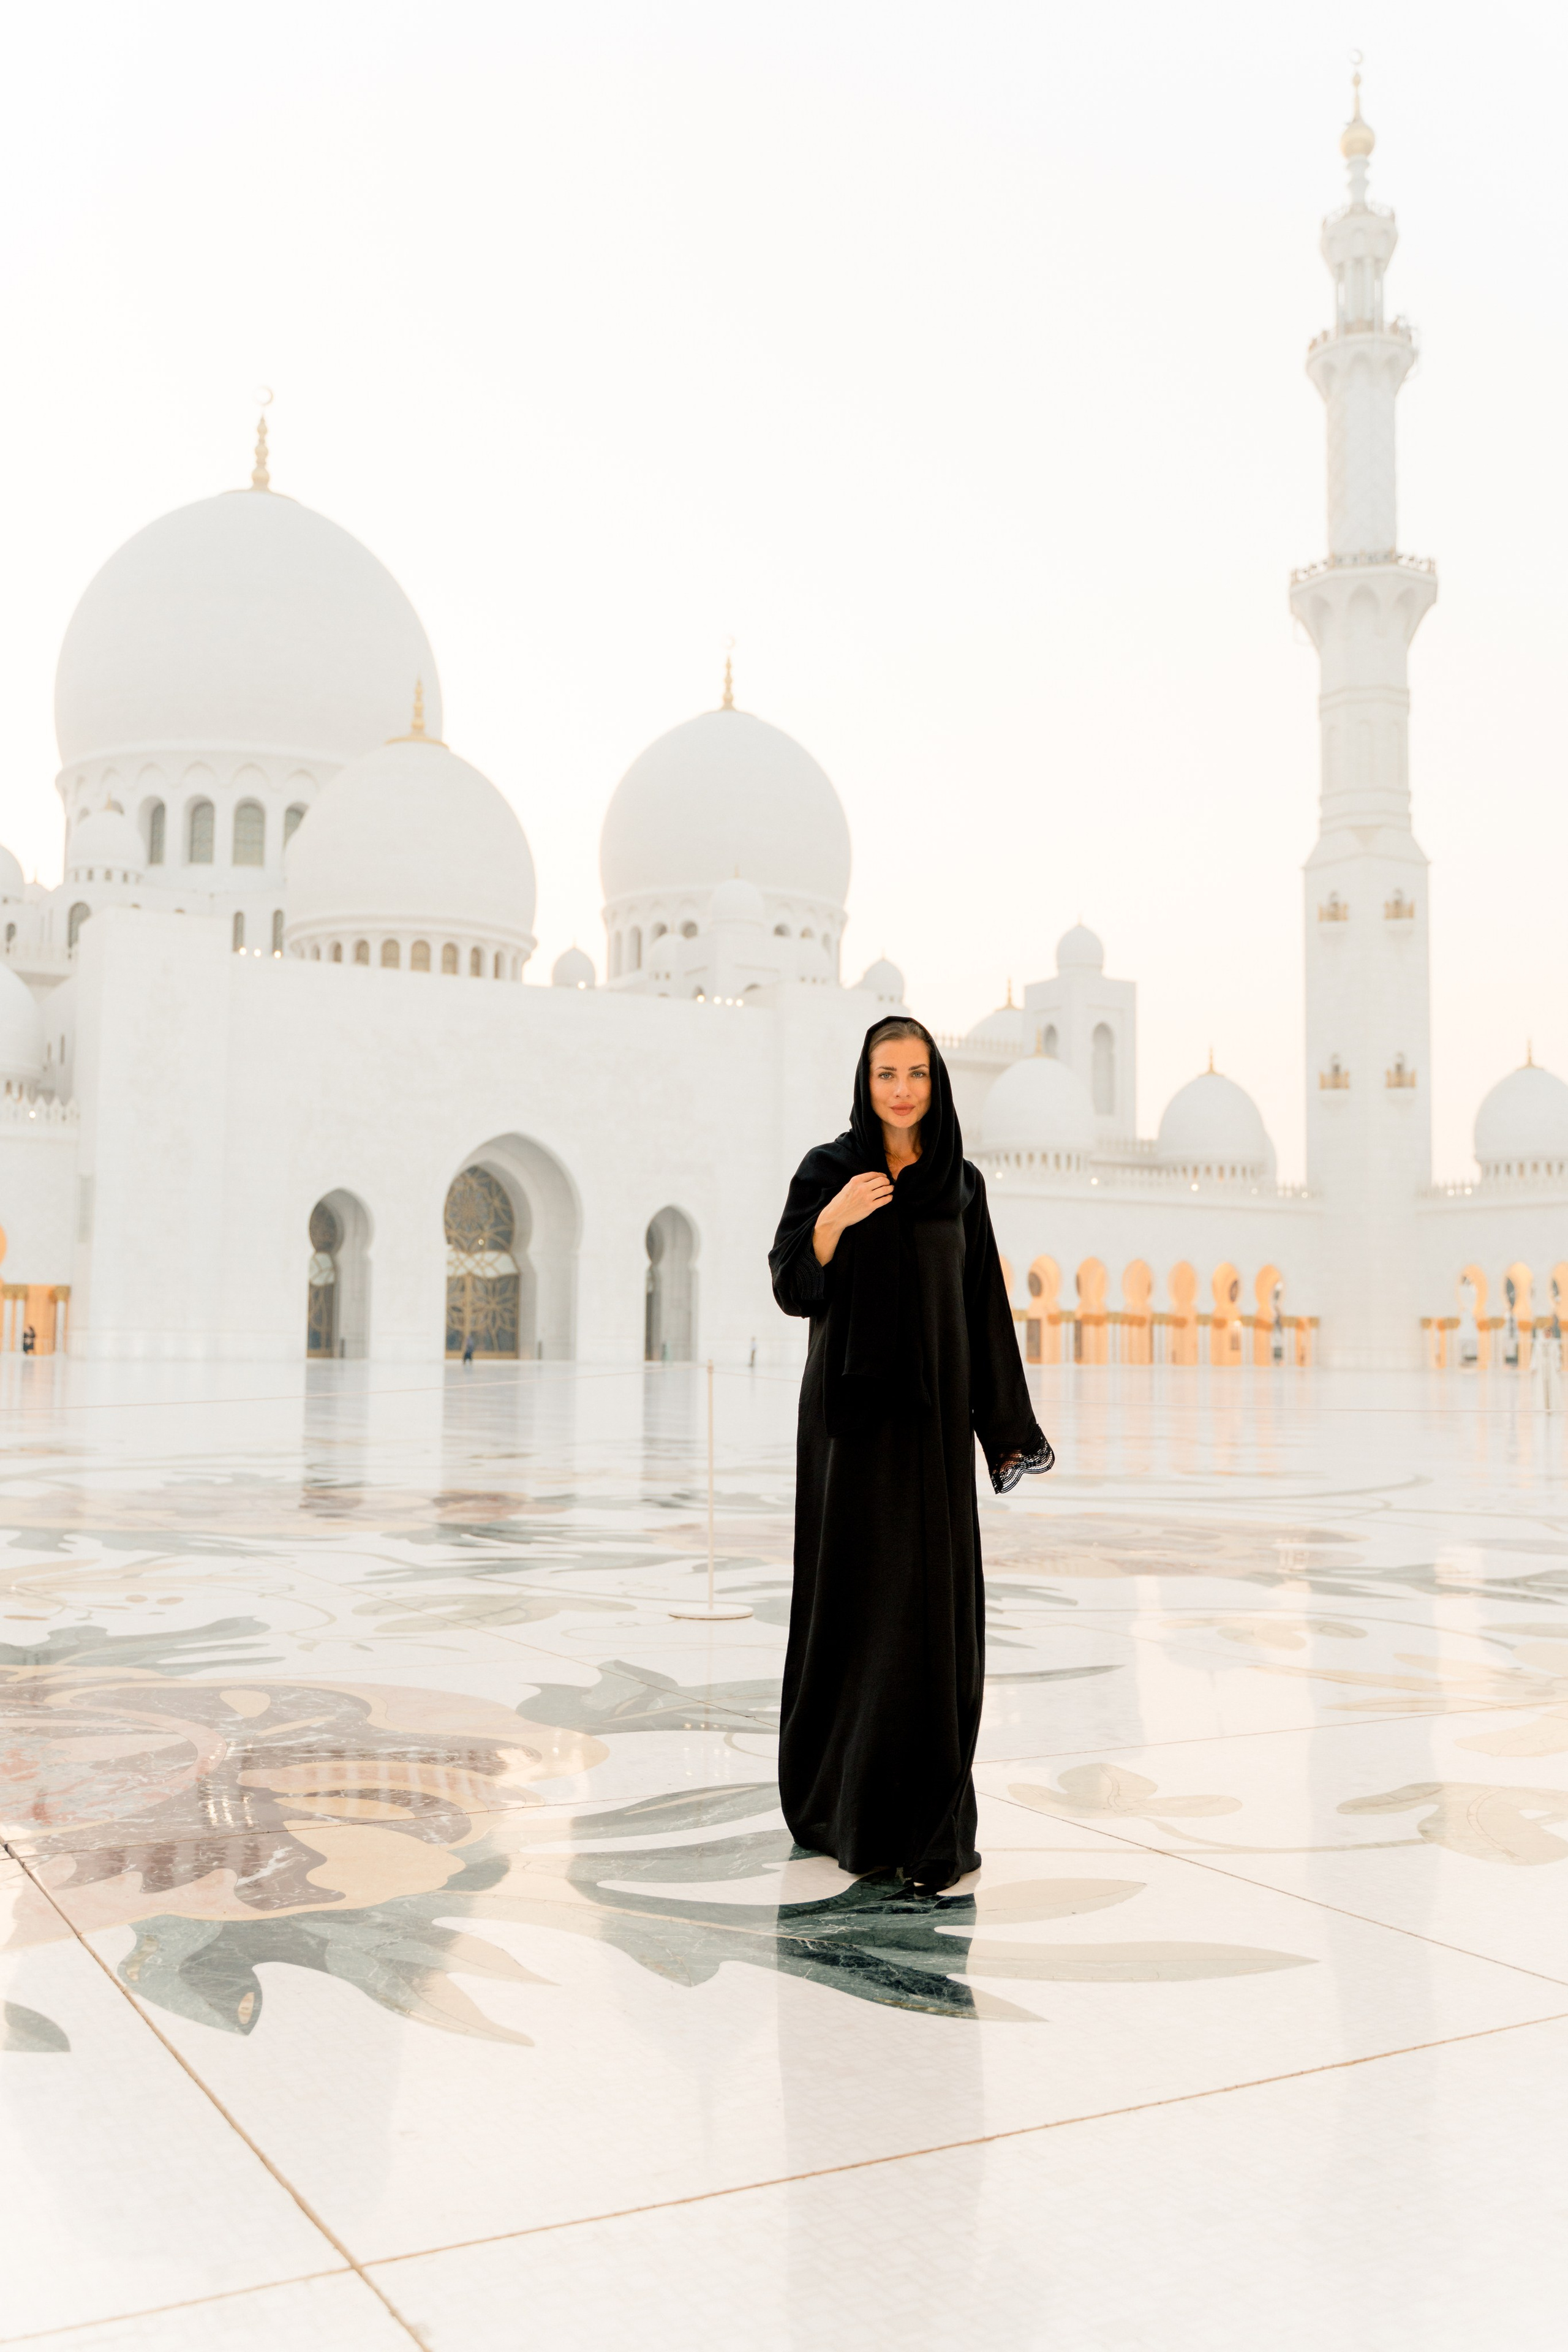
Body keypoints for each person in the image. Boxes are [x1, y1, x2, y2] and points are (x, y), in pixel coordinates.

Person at [769, 1014, 1053, 1896]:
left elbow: (983, 1315)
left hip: (928, 1436)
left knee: (928, 1620)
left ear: (937, 1082)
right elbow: (788, 1282)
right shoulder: (828, 1170)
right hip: (850, 1435)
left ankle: (927, 1822)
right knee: (855, 1613)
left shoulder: (959, 1186)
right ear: (865, 1080)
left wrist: (1001, 1426)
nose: (902, 1089)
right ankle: (840, 1805)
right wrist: (833, 1222)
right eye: (887, 1073)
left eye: (917, 1074)